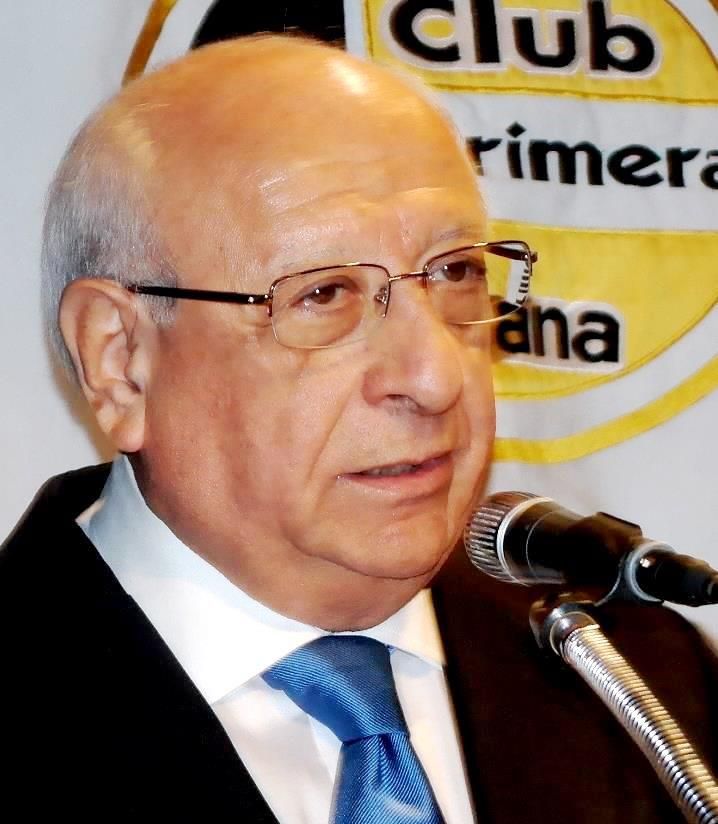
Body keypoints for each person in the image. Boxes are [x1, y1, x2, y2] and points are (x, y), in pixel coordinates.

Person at [1, 36, 716, 823]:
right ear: (121, 360)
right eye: (324, 294)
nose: (436, 377)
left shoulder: (641, 684)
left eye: (455, 272)